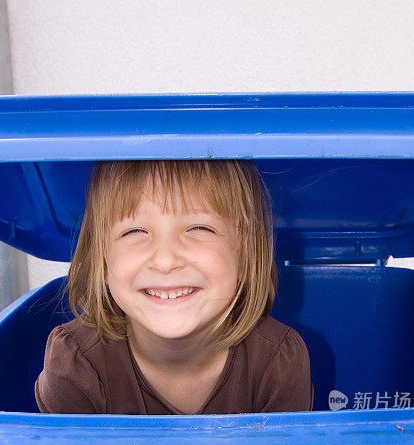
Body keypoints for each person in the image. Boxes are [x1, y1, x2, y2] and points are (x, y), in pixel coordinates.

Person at [35, 160, 314, 415]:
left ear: (244, 256)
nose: (165, 261)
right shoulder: (76, 363)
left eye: (199, 228)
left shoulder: (278, 362)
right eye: (134, 231)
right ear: (103, 263)